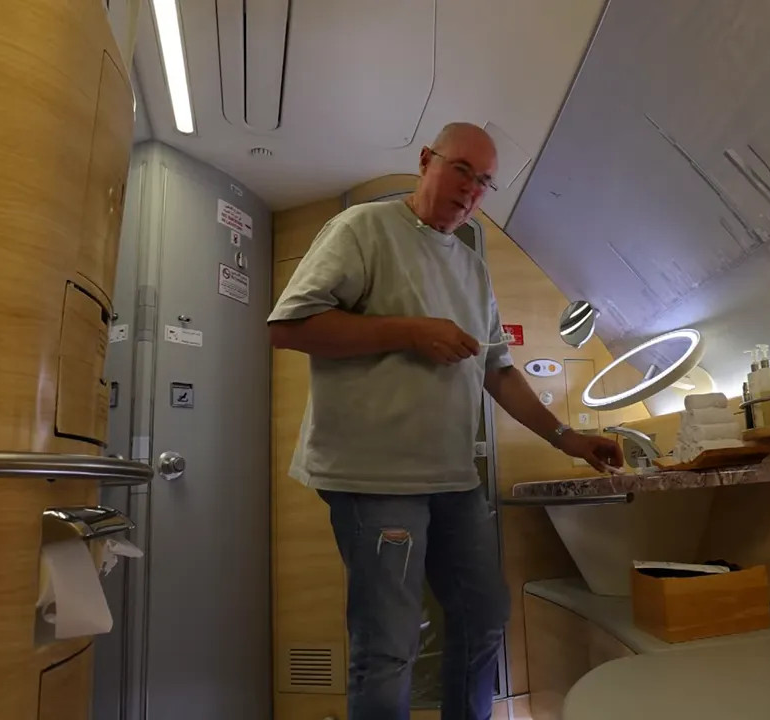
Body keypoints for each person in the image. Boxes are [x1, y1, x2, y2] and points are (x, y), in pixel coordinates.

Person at [267, 122, 624, 720]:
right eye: (461, 170)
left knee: (485, 619)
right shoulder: (362, 229)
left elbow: (498, 370)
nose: (471, 190)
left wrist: (565, 436)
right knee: (389, 649)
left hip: (452, 479)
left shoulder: (471, 267)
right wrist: (410, 331)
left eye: (485, 182)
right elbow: (288, 328)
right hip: (372, 480)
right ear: (427, 160)